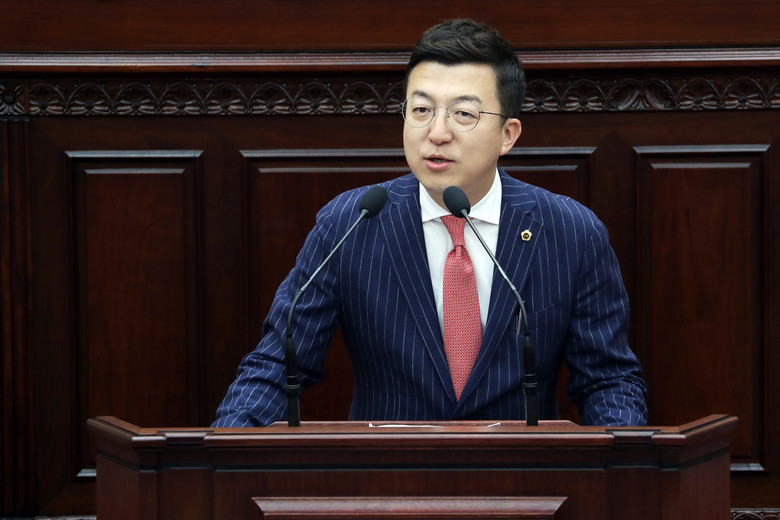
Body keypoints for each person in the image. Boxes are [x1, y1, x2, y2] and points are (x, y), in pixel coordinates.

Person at [213, 19, 647, 427]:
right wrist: (223, 453)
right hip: (389, 474)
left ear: (508, 135)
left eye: (463, 114)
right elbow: (276, 366)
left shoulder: (571, 231)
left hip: (521, 474)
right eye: (421, 109)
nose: (437, 132)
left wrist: (626, 467)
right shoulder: (350, 223)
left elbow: (608, 380)